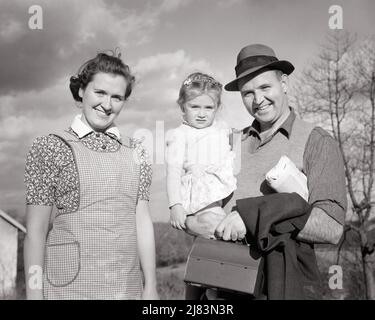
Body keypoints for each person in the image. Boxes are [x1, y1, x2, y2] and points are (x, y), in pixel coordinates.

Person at [214, 44, 347, 299]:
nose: (258, 100)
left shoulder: (317, 141)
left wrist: (254, 216)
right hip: (227, 285)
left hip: (285, 285)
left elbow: (331, 227)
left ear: (284, 83)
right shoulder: (230, 144)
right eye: (247, 93)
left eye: (265, 87)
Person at [24, 51, 159, 300]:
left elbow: (142, 221)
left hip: (126, 289)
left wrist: (150, 285)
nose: (107, 105)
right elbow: (35, 231)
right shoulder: (50, 147)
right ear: (81, 91)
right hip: (70, 290)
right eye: (100, 93)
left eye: (117, 97)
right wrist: (34, 295)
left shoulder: (137, 150)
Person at [165, 72, 237, 239]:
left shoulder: (221, 128)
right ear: (183, 107)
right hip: (201, 191)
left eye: (208, 108)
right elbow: (173, 173)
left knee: (223, 222)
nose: (202, 114)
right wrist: (175, 205)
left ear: (217, 108)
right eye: (195, 107)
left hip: (220, 189)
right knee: (218, 223)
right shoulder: (179, 135)